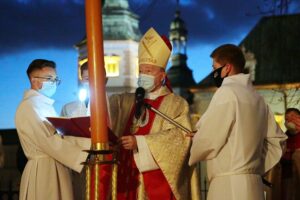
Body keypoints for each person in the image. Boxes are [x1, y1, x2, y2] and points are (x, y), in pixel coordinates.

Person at [109, 27, 200, 200]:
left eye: (149, 71)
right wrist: (99, 82)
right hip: (125, 177)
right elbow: (108, 108)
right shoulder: (129, 101)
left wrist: (140, 143)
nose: (143, 75)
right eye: (141, 71)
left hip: (154, 184)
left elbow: (180, 139)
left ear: (162, 75)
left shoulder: (176, 104)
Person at [188, 44, 287, 200]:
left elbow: (210, 139)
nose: (213, 73)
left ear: (227, 68)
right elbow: (278, 140)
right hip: (254, 183)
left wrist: (193, 142)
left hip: (228, 184)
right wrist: (255, 168)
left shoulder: (226, 93)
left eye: (215, 68)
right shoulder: (258, 99)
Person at [15, 59, 91, 200]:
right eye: (50, 79)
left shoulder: (43, 106)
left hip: (55, 165)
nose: (54, 83)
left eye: (56, 79)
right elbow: (49, 141)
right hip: (43, 171)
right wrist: (86, 151)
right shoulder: (29, 107)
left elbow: (59, 137)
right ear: (34, 80)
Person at [61, 61, 111, 200]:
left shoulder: (115, 104)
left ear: (105, 80)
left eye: (96, 78)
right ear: (82, 80)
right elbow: (63, 137)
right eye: (87, 79)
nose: (91, 83)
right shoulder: (69, 108)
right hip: (79, 165)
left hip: (106, 163)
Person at [280, 108, 300, 200]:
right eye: (286, 119)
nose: (288, 122)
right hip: (287, 176)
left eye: (291, 118)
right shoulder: (284, 137)